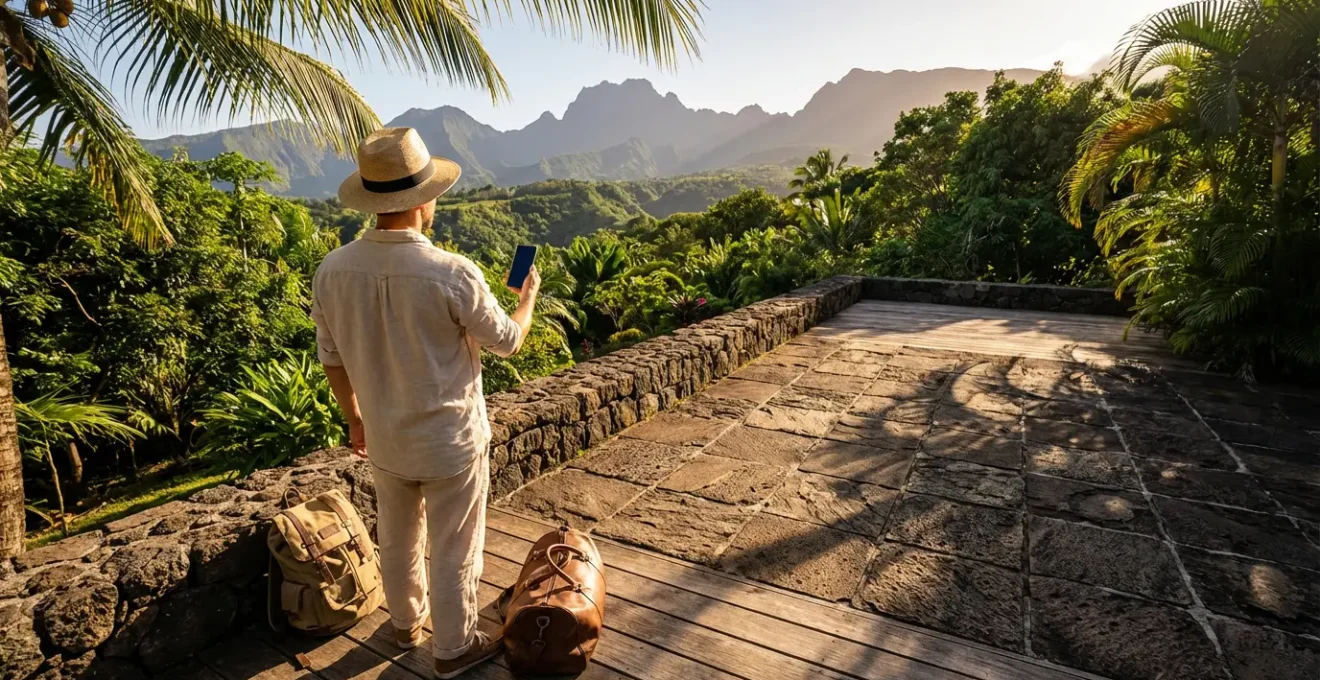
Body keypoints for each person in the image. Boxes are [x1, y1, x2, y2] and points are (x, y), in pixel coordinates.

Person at [311, 127, 540, 678]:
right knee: (455, 546)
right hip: (450, 442)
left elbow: (332, 358)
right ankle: (454, 647)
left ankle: (404, 623)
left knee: (396, 537)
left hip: (386, 438)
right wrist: (527, 300)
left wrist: (355, 421)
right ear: (421, 200)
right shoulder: (452, 272)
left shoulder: (333, 270)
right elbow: (508, 342)